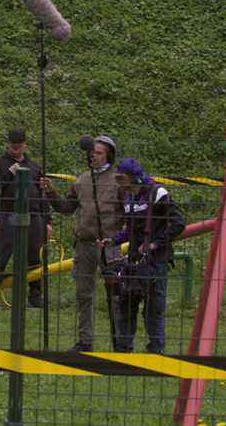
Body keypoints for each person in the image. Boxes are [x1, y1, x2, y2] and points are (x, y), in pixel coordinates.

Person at [41, 135, 122, 351]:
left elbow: (128, 211)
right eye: (92, 152)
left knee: (116, 296)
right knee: (84, 294)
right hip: (85, 244)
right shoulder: (81, 180)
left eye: (98, 152)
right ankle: (85, 341)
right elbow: (66, 208)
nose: (93, 155)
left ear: (109, 156)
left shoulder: (119, 180)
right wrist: (51, 192)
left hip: (110, 246)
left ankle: (121, 341)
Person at [106, 157, 185, 354]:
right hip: (133, 261)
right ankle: (124, 351)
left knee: (153, 309)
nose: (119, 183)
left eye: (122, 178)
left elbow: (178, 224)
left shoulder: (158, 193)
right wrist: (113, 240)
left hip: (156, 261)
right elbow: (130, 230)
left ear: (134, 177)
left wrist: (155, 243)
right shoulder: (128, 198)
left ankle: (155, 352)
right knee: (126, 306)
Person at [0, 128, 50, 309]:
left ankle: (35, 296)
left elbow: (42, 194)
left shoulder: (34, 167)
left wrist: (47, 221)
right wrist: (9, 174)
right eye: (13, 147)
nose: (16, 150)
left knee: (35, 257)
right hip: (7, 215)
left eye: (19, 147)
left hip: (34, 216)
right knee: (1, 256)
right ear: (8, 145)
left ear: (24, 146)